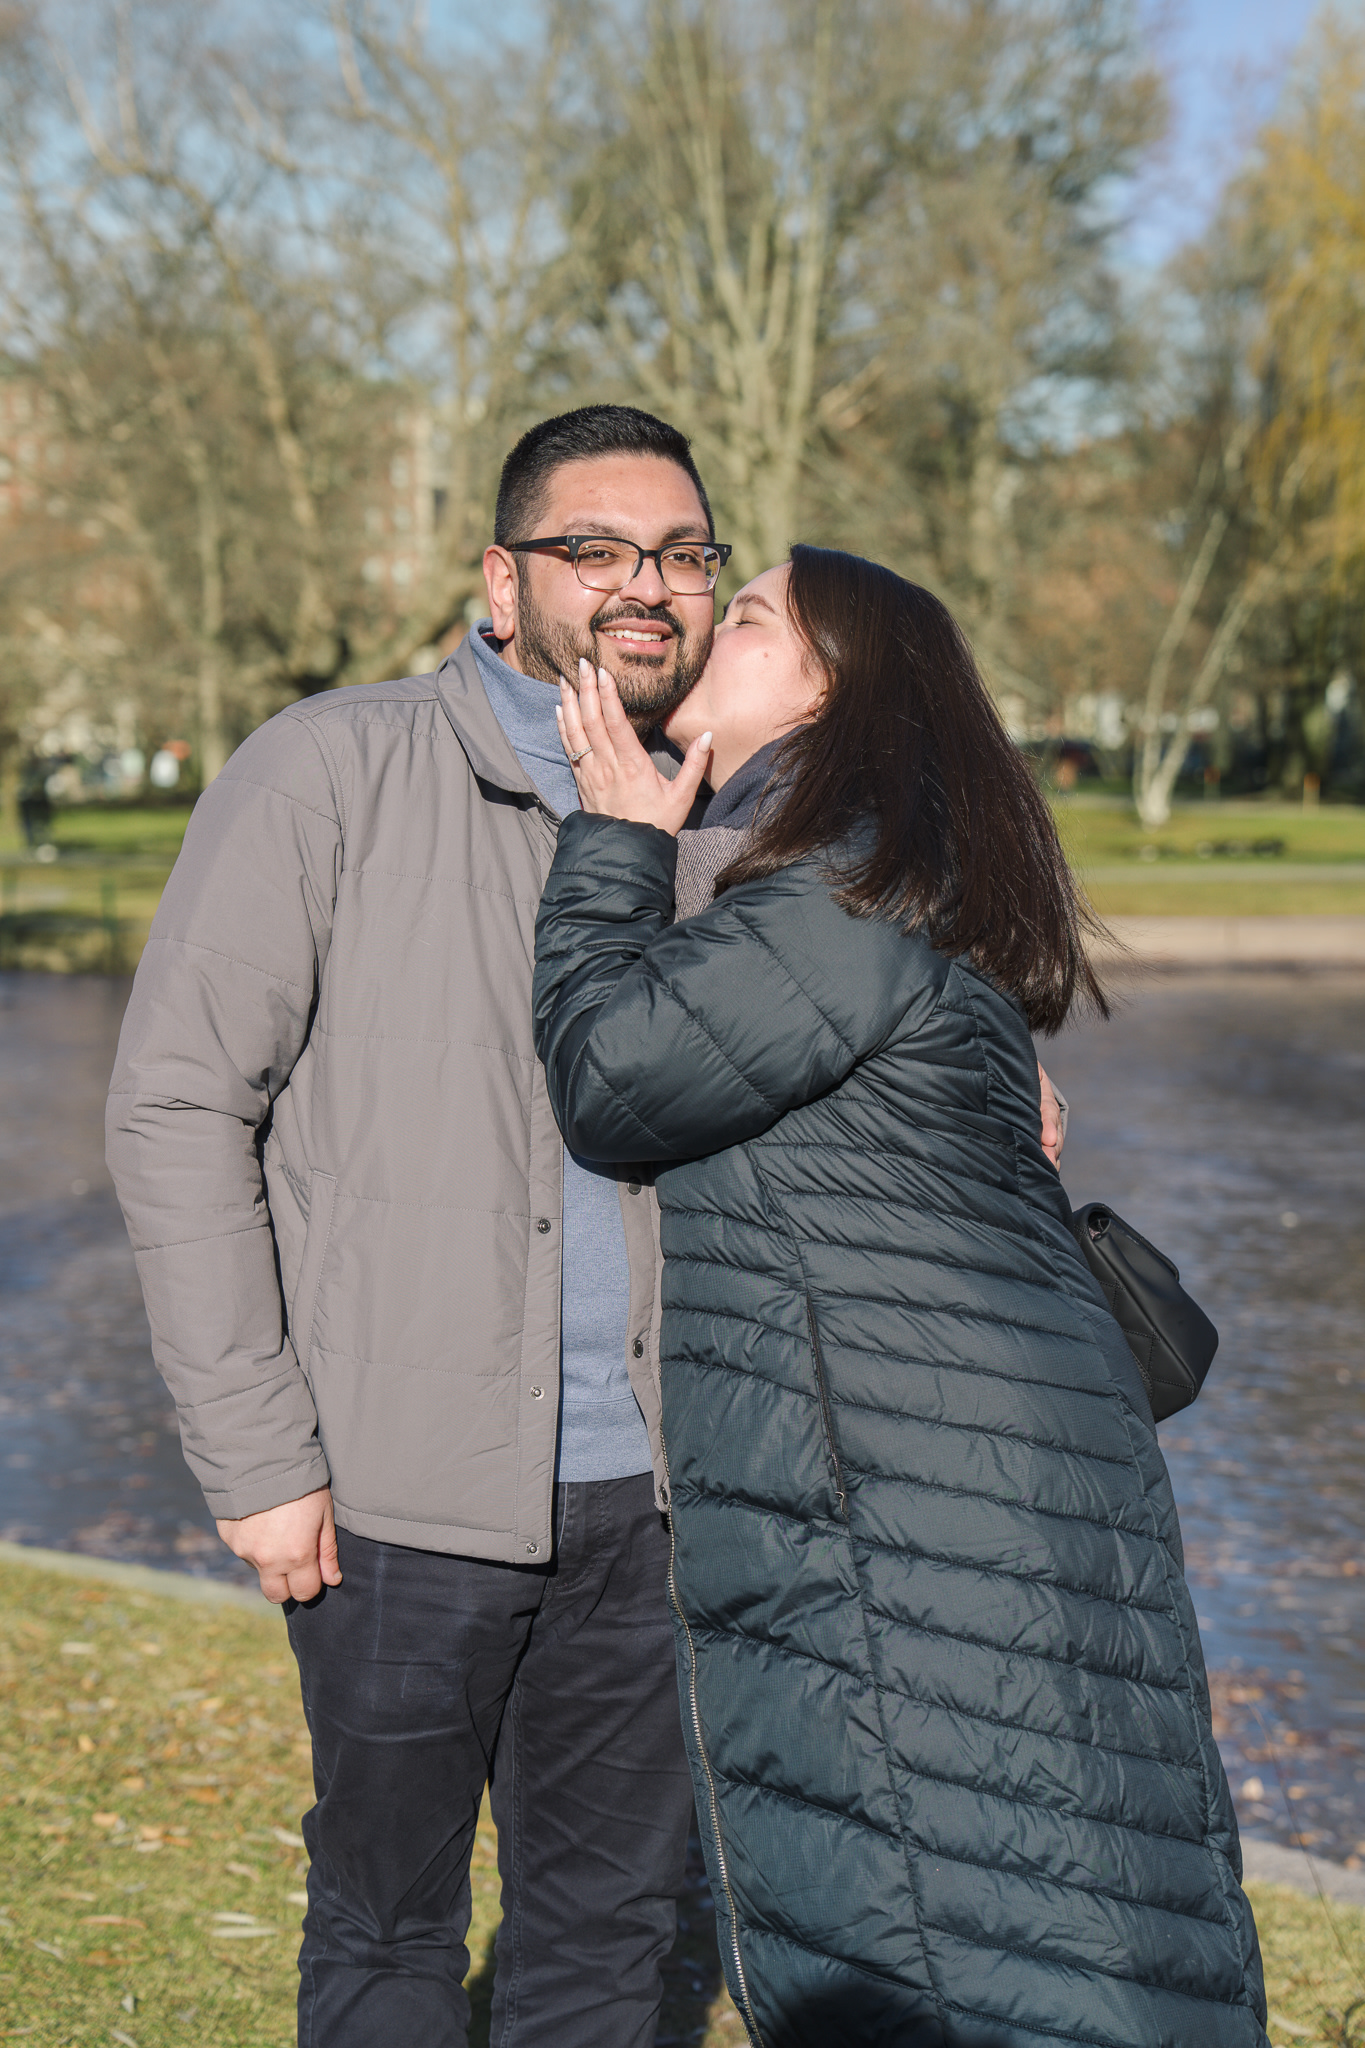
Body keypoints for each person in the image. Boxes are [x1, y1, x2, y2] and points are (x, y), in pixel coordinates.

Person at [105, 401, 1066, 2047]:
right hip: (391, 1494)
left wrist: (990, 1093)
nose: (649, 583)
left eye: (686, 556)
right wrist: (259, 1454)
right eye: (596, 549)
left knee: (617, 1943)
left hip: (669, 1500)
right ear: (502, 581)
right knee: (387, 1929)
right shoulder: (332, 767)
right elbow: (181, 1107)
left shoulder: (749, 830)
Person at [532, 547, 1269, 2048]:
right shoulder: (873, 876)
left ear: (839, 686)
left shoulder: (840, 888)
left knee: (967, 1930)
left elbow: (611, 1079)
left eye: (744, 616)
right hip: (950, 1491)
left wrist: (611, 844)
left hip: (906, 1512)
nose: (699, 624)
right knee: (1037, 1909)